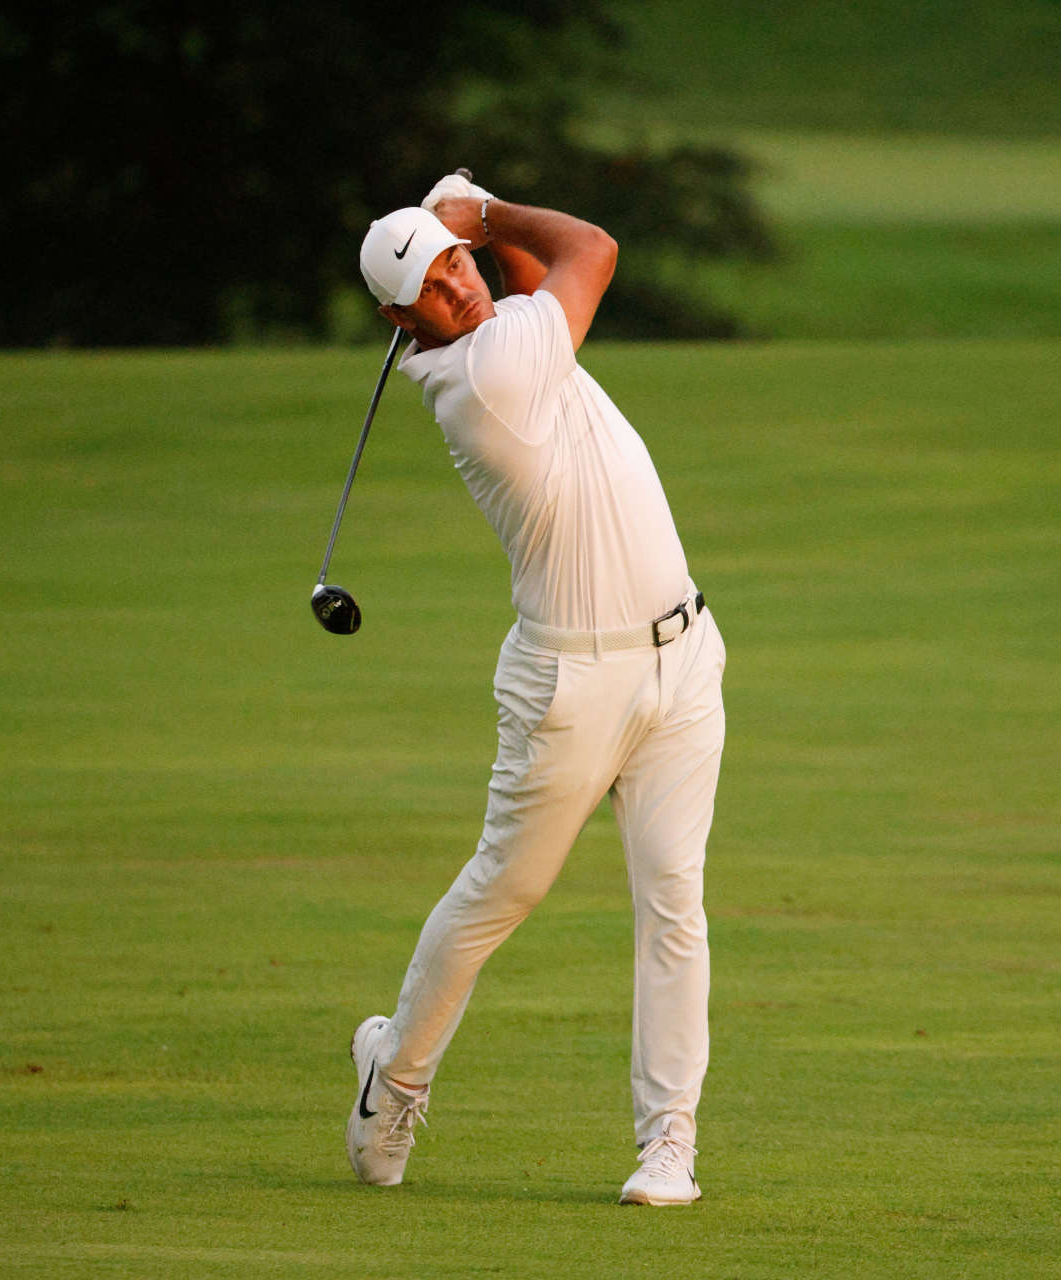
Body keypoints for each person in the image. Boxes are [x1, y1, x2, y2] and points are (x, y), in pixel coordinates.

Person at [342, 173, 727, 1206]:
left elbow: (529, 289)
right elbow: (590, 250)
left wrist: (477, 238)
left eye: (456, 263)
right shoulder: (485, 377)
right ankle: (396, 1081)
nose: (459, 287)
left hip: (683, 658)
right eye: (433, 284)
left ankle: (668, 1145)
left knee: (674, 901)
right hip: (570, 680)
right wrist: (488, 210)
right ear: (401, 320)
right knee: (503, 891)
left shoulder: (504, 330)